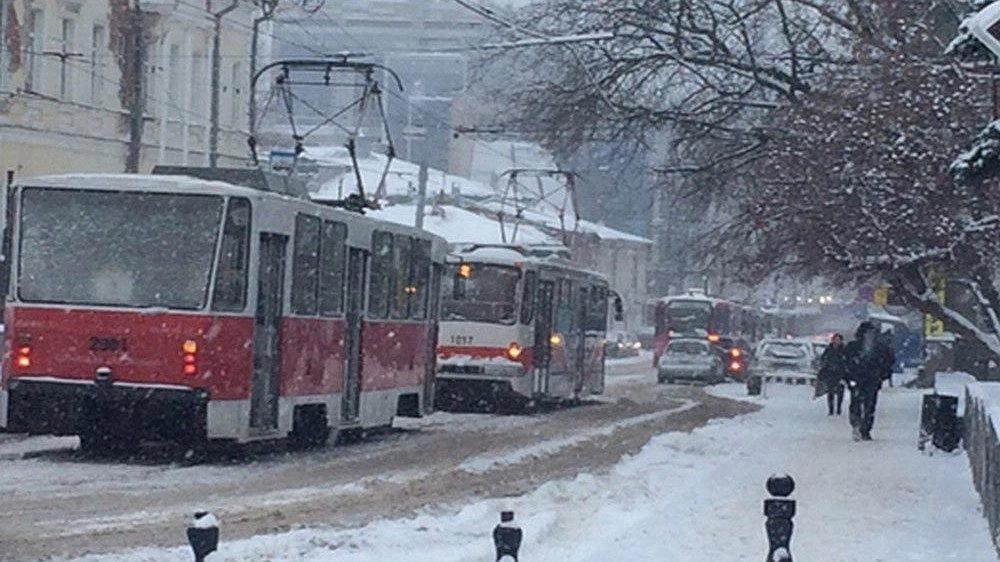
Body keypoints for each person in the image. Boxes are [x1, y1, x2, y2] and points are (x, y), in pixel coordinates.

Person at [843, 321, 893, 441]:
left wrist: (882, 375)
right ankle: (857, 424)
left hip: (872, 380)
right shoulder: (853, 347)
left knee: (869, 405)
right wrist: (848, 376)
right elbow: (844, 362)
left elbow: (888, 362)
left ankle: (865, 428)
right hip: (858, 379)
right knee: (857, 402)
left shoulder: (880, 348)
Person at [817, 333, 849, 415]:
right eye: (835, 339)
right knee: (830, 392)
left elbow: (847, 360)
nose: (837, 341)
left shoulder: (845, 349)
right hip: (830, 373)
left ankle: (839, 408)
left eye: (839, 340)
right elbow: (823, 359)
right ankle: (831, 409)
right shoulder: (829, 349)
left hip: (840, 373)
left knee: (840, 392)